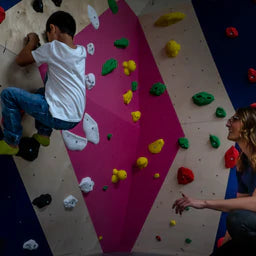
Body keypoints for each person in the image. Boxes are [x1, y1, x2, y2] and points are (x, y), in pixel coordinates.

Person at [0, 11, 86, 155]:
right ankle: (44, 134)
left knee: (8, 95)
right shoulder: (81, 52)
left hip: (60, 115)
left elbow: (21, 60)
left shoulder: (53, 48)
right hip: (76, 116)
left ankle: (11, 142)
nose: (48, 40)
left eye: (48, 36)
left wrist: (33, 41)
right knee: (43, 90)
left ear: (52, 29)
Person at [172, 106, 256, 255]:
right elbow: (240, 206)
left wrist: (203, 203)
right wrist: (225, 244)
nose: (227, 124)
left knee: (238, 220)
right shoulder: (243, 163)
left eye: (234, 119)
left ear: (249, 125)